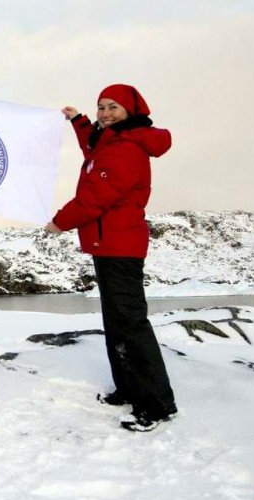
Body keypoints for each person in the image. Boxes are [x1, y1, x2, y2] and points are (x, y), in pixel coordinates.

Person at [45, 84, 177, 432]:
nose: (104, 113)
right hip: (108, 245)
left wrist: (61, 221)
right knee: (117, 323)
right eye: (101, 107)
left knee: (130, 325)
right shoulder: (112, 141)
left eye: (113, 107)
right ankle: (129, 388)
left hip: (120, 247)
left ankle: (156, 405)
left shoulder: (127, 149)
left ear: (131, 111)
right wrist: (79, 121)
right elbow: (93, 143)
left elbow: (97, 196)